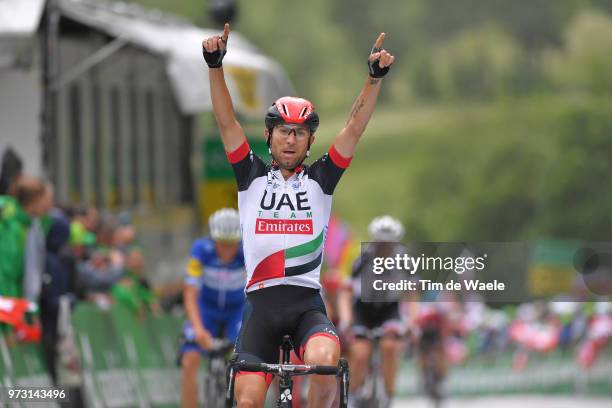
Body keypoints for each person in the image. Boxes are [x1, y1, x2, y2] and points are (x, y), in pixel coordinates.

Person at [201, 23, 395, 408]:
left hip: (306, 304)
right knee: (249, 401)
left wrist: (373, 80)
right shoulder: (251, 175)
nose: (291, 139)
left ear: (309, 141)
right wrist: (214, 67)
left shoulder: (321, 180)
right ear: (270, 137)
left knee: (324, 366)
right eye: (284, 131)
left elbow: (354, 127)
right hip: (260, 305)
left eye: (300, 133)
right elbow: (226, 122)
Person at [337, 215, 408, 408]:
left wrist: (412, 322)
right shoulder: (362, 258)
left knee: (390, 347)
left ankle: (389, 396)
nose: (385, 248)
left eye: (389, 244)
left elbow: (413, 293)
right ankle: (351, 396)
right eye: (381, 243)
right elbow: (346, 291)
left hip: (389, 309)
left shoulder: (404, 259)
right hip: (363, 309)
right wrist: (346, 319)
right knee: (360, 353)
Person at [180, 208, 246, 408]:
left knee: (245, 361)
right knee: (189, 360)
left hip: (236, 312)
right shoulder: (201, 250)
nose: (226, 250)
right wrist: (199, 330)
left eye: (231, 244)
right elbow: (190, 293)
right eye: (221, 244)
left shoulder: (246, 252)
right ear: (213, 238)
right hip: (206, 311)